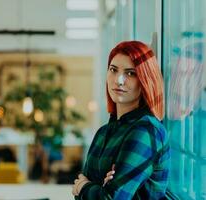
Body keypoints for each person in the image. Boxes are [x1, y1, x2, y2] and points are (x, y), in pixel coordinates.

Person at [72, 41, 170, 199]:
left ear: (145, 80)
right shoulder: (103, 132)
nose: (119, 80)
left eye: (131, 73)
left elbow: (109, 197)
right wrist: (96, 189)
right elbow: (80, 195)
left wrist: (86, 187)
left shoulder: (146, 130)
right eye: (113, 70)